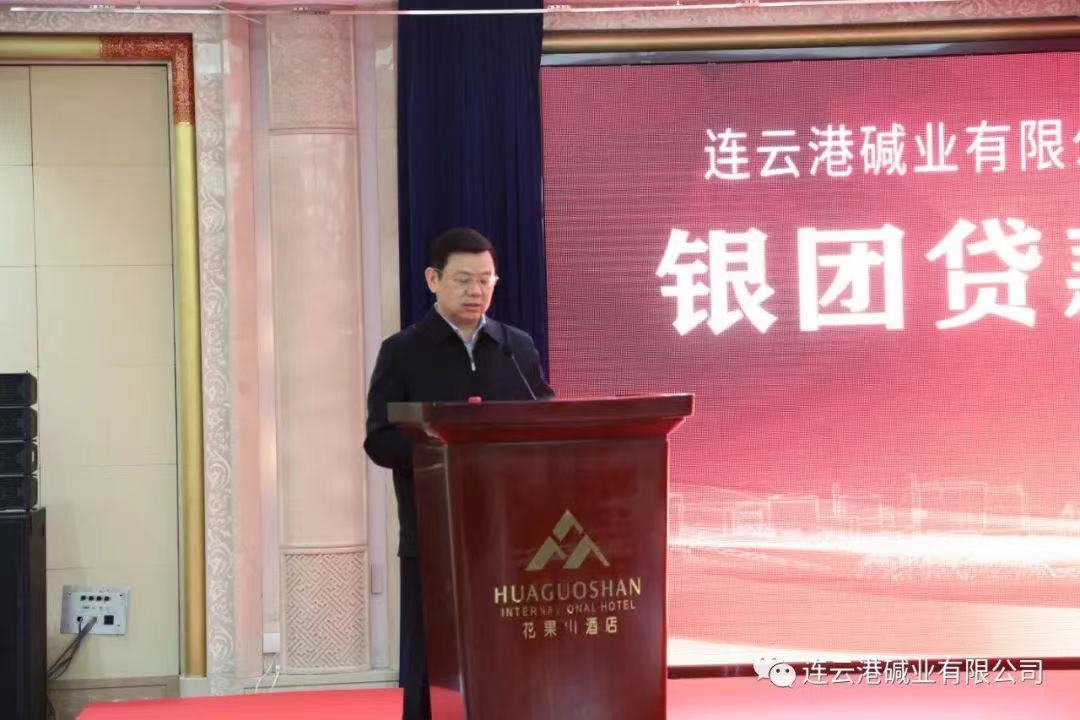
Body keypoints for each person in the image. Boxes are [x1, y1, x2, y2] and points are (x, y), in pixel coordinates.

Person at [364, 227, 554, 720]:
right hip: (434, 532)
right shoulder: (403, 352)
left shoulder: (515, 348)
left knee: (509, 650)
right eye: (464, 279)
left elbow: (547, 423)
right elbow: (379, 440)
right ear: (434, 279)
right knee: (434, 658)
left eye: (486, 280)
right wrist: (446, 453)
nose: (476, 291)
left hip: (511, 536)